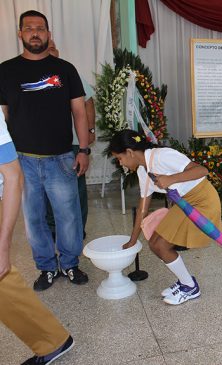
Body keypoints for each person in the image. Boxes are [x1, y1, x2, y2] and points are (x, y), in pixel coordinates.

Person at [0, 10, 89, 291]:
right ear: (20, 34)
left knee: (68, 216)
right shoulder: (5, 71)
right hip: (21, 161)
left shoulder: (65, 69)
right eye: (29, 28)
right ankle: (47, 267)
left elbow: (79, 111)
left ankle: (71, 264)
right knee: (33, 219)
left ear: (49, 34)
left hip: (61, 157)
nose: (35, 33)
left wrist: (84, 149)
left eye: (40, 28)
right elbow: (1, 116)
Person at [109, 129, 222, 305]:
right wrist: (132, 240)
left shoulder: (162, 156)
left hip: (202, 201)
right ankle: (186, 282)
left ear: (130, 152)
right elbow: (142, 209)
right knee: (154, 243)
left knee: (160, 244)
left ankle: (190, 287)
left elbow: (202, 170)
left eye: (120, 158)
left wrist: (171, 179)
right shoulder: (142, 171)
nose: (120, 163)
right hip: (184, 203)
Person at [0, 108, 74, 365]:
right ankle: (53, 340)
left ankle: (52, 340)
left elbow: (12, 176)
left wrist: (3, 247)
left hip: (54, 155)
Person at [45, 40, 96, 240]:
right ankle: (53, 228)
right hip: (45, 145)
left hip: (74, 142)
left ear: (56, 51)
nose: (49, 52)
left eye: (51, 48)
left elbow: (88, 102)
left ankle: (78, 228)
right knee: (47, 190)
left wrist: (90, 129)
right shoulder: (32, 76)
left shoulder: (68, 72)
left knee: (76, 188)